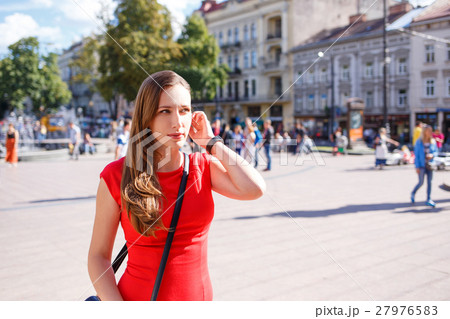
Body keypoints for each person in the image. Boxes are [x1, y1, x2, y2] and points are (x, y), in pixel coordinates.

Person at [87, 70, 265, 301]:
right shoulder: (116, 175)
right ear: (147, 116)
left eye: (184, 110)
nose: (178, 122)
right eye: (165, 111)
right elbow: (98, 256)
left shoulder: (202, 167)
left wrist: (211, 143)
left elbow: (255, 188)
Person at [411, 125, 438, 208]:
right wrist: (417, 167)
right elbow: (417, 155)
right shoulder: (419, 142)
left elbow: (436, 152)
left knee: (430, 182)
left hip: (430, 165)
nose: (430, 132)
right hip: (422, 165)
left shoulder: (433, 141)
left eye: (431, 131)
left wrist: (432, 155)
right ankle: (413, 193)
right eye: (428, 131)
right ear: (424, 132)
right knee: (421, 182)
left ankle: (428, 199)